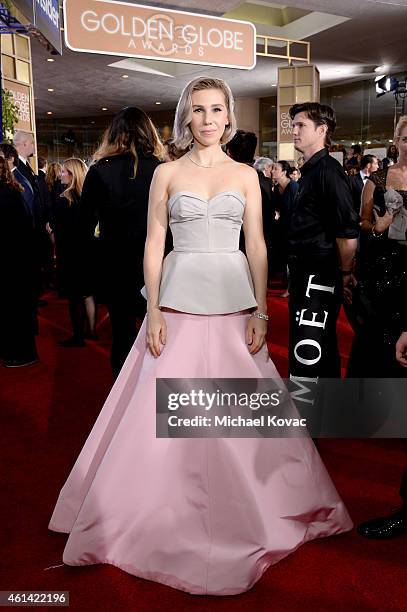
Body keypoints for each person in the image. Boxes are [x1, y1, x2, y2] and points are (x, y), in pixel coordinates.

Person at [49, 77, 352, 596]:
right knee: (163, 410)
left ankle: (257, 506)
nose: (208, 119)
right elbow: (152, 244)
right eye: (199, 110)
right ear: (185, 118)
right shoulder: (166, 172)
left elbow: (257, 246)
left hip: (235, 304)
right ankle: (153, 509)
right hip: (178, 301)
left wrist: (260, 311)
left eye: (217, 110)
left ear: (229, 116)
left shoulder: (246, 176)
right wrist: (156, 309)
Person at [78, 107, 165, 377]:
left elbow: (83, 227)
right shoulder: (163, 170)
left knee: (122, 335)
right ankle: (153, 400)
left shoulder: (99, 171)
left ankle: (123, 402)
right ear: (148, 133)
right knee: (161, 334)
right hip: (159, 266)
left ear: (114, 134)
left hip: (115, 266)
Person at [287, 103, 359, 406]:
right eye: (293, 124)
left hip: (319, 274)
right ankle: (322, 412)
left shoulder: (329, 171)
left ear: (322, 130)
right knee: (320, 344)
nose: (294, 130)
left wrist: (344, 274)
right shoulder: (312, 169)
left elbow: (347, 232)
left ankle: (306, 420)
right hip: (308, 271)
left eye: (301, 125)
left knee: (308, 347)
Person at [347, 115, 407, 377]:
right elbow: (362, 221)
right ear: (396, 142)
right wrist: (377, 227)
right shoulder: (378, 180)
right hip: (383, 270)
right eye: (406, 139)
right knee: (376, 340)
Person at [53, 158, 96, 347]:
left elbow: (60, 232)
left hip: (70, 254)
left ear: (72, 175)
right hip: (87, 252)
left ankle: (78, 336)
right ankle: (92, 331)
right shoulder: (89, 198)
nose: (60, 174)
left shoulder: (64, 200)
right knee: (87, 292)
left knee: (74, 296)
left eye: (63, 171)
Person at [0, 153, 38, 367]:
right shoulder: (11, 192)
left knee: (14, 311)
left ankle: (21, 354)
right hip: (16, 264)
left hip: (13, 265)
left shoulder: (7, 195)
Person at [271, 160, 299, 297]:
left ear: (283, 172)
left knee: (293, 259)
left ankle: (292, 287)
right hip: (282, 228)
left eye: (275, 169)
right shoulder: (276, 188)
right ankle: (288, 283)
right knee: (286, 257)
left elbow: (298, 211)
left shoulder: (294, 187)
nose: (272, 171)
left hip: (295, 229)